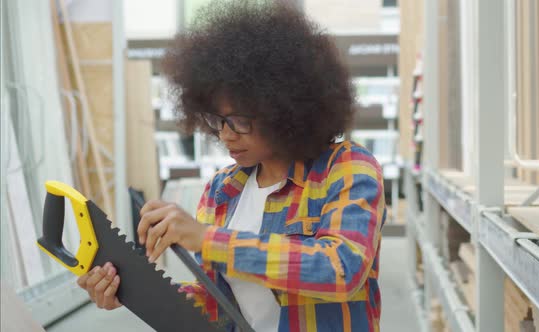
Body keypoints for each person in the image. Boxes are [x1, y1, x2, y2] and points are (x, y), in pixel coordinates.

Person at [76, 1, 386, 331]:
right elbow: (221, 304)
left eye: (239, 120)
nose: (225, 134)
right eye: (218, 119)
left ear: (284, 111)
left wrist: (208, 239)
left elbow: (340, 269)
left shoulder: (347, 168)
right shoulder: (222, 192)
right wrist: (133, 292)